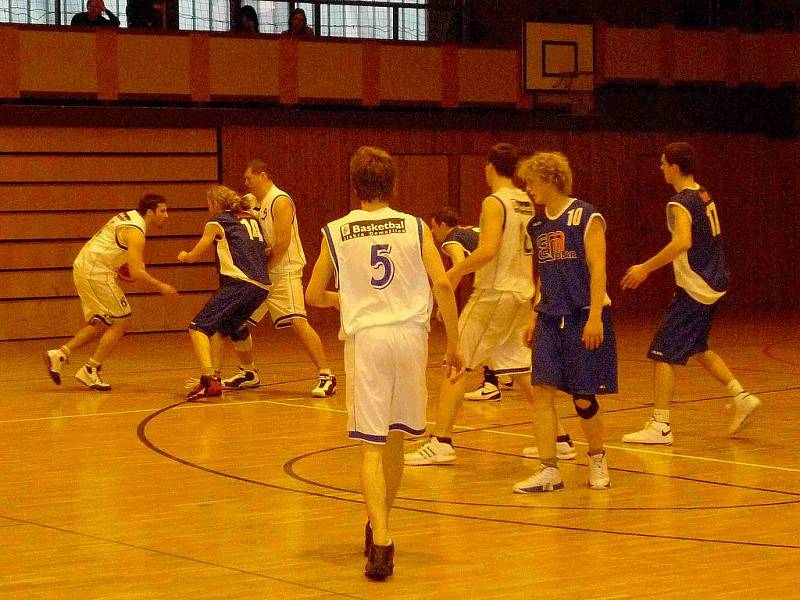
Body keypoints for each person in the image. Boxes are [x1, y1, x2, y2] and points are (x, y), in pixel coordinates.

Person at [305, 146, 462, 581]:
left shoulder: (335, 231)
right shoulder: (414, 227)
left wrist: (346, 299)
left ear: (354, 186)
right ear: (394, 185)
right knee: (395, 440)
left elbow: (313, 297)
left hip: (369, 339)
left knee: (370, 446)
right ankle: (380, 524)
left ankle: (382, 536)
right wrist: (456, 342)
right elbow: (444, 284)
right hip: (412, 338)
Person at [404, 143, 575, 467]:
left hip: (495, 293)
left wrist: (453, 271)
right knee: (521, 371)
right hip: (520, 291)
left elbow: (488, 250)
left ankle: (441, 441)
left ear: (489, 168)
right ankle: (559, 438)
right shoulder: (526, 200)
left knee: (456, 362)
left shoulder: (495, 201)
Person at [621, 142, 761, 443]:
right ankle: (741, 396)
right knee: (699, 346)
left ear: (674, 166)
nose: (660, 168)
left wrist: (645, 268)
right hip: (715, 282)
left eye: (662, 163)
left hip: (696, 288)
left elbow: (683, 242)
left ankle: (660, 425)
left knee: (662, 353)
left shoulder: (679, 203)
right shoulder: (703, 193)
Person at [513, 152, 616, 493]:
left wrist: (594, 316)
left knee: (583, 398)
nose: (528, 189)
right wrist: (533, 315)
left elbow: (599, 267)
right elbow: (543, 273)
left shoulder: (586, 215)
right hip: (548, 318)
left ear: (552, 179)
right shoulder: (538, 224)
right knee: (541, 391)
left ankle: (597, 457)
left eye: (531, 182)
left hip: (582, 316)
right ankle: (549, 470)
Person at [224, 160, 335, 397]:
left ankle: (327, 374)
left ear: (262, 176)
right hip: (265, 272)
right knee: (237, 320)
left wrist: (264, 268)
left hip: (285, 270)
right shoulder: (253, 201)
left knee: (298, 321)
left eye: (248, 178)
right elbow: (235, 206)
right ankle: (248, 372)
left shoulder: (280, 200)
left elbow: (283, 242)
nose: (246, 183)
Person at [44, 194, 177, 390]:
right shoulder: (136, 232)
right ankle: (90, 369)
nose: (167, 215)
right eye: (163, 211)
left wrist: (119, 264)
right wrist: (161, 286)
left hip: (86, 266)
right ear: (150, 212)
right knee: (122, 320)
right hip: (96, 272)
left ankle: (60, 354)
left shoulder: (130, 216)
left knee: (102, 321)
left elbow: (116, 250)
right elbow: (137, 271)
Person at [178, 186, 270, 401]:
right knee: (219, 330)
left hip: (240, 283)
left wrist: (184, 256)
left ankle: (207, 379)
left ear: (214, 203)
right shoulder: (251, 218)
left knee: (198, 327)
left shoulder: (217, 222)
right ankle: (216, 379)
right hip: (261, 286)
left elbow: (196, 254)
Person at [430, 207, 513, 402]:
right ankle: (506, 374)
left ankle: (491, 385)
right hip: (511, 283)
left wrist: (444, 301)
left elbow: (460, 265)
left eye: (434, 227)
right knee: (495, 335)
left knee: (476, 336)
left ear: (443, 225)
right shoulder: (471, 230)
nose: (433, 233)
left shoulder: (452, 240)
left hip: (493, 288)